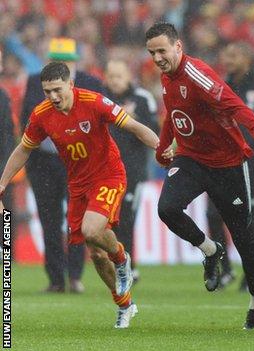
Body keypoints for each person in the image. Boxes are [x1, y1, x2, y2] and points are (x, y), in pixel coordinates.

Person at [0, 62, 160, 328]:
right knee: (96, 255)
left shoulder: (95, 102)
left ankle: (121, 258)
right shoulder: (41, 115)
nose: (52, 96)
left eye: (57, 89)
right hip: (78, 184)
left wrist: (161, 147)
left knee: (91, 229)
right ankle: (124, 304)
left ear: (70, 84)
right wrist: (3, 182)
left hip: (108, 175)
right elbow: (23, 150)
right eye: (47, 91)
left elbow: (132, 126)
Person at [145, 23, 254, 329]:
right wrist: (163, 149)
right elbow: (172, 114)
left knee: (245, 240)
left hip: (227, 165)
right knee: (167, 209)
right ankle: (210, 250)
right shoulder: (166, 77)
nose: (157, 57)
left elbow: (231, 102)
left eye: (162, 50)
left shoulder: (196, 73)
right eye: (152, 52)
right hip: (192, 159)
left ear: (178, 46)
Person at [21, 38, 105, 294]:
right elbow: (28, 121)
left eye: (65, 60)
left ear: (74, 61)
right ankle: (56, 278)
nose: (61, 64)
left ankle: (76, 275)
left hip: (80, 164)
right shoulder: (36, 82)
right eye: (56, 59)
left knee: (77, 221)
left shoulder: (91, 83)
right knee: (49, 219)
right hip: (44, 163)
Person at [211, 42, 254, 289]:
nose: (228, 59)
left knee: (248, 219)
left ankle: (250, 273)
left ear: (248, 58)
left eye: (235, 54)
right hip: (220, 161)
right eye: (226, 55)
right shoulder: (220, 86)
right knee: (213, 214)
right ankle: (225, 269)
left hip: (251, 163)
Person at [104, 59, 159, 283]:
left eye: (119, 76)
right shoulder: (101, 98)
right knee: (110, 220)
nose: (114, 81)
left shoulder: (142, 98)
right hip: (105, 171)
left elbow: (155, 129)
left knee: (126, 218)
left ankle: (129, 266)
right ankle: (120, 264)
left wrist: (130, 118)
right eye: (111, 76)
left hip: (132, 171)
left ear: (128, 76)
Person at [0, 50, 14, 214]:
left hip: (2, 173)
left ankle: (7, 241)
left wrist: (4, 170)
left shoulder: (3, 97)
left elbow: (8, 137)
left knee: (6, 217)